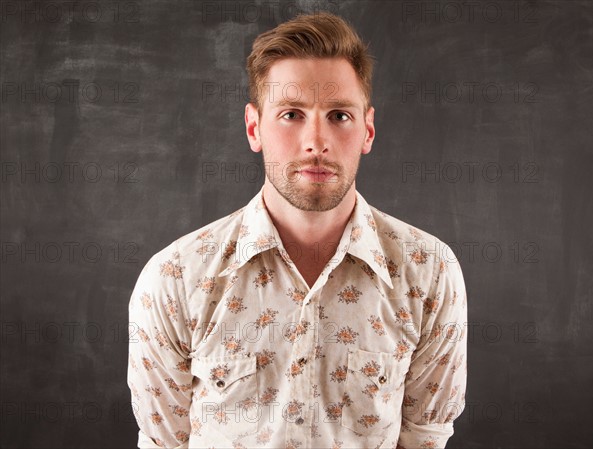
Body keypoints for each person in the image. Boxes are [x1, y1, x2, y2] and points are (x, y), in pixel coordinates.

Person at [128, 11, 467, 449]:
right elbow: (163, 442)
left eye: (339, 116)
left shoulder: (430, 272)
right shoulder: (175, 277)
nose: (316, 141)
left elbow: (424, 438)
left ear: (368, 129)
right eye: (291, 114)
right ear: (254, 127)